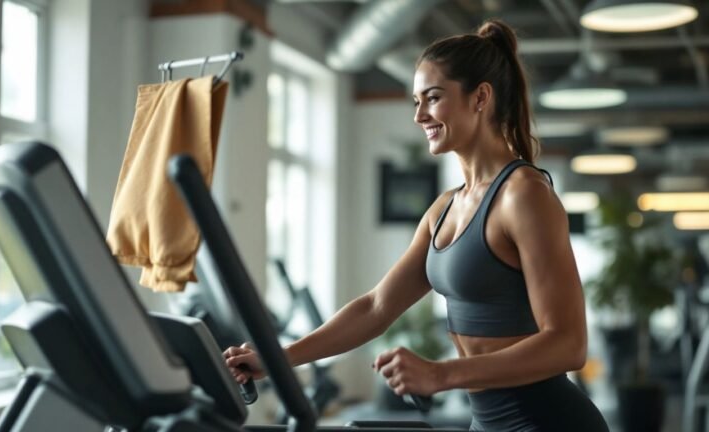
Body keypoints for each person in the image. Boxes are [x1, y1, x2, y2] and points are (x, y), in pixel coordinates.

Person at [224, 19, 609, 432]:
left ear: (480, 97)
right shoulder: (445, 208)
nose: (419, 115)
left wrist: (440, 374)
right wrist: (278, 358)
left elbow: (568, 344)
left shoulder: (524, 195)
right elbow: (376, 307)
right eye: (415, 102)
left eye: (433, 98)